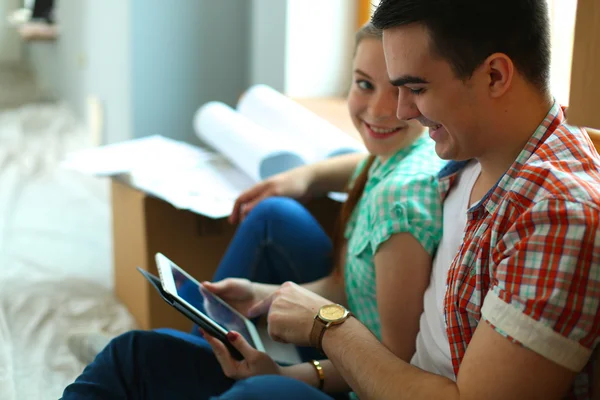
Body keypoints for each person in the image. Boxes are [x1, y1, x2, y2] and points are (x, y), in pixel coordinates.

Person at [213, 1, 600, 399]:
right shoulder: (480, 136)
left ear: (495, 76)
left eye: (416, 89)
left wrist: (327, 326)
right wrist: (305, 176)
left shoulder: (559, 216)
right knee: (272, 221)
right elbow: (388, 159)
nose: (402, 111)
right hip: (392, 370)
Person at [62, 23, 446, 399]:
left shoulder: (397, 207)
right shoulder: (408, 151)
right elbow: (353, 283)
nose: (379, 109)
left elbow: (395, 364)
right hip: (346, 331)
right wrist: (264, 295)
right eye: (364, 83)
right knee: (273, 216)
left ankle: (188, 366)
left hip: (362, 374)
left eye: (401, 89)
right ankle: (200, 352)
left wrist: (291, 374)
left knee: (159, 362)